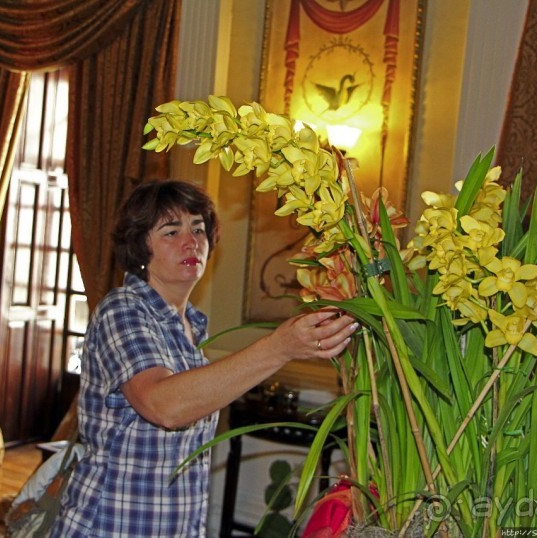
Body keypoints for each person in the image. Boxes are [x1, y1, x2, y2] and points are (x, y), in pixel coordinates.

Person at [50, 179, 359, 537]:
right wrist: (279, 347)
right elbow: (164, 405)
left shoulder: (193, 326)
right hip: (109, 526)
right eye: (171, 232)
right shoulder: (122, 310)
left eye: (198, 229)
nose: (191, 241)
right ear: (140, 245)